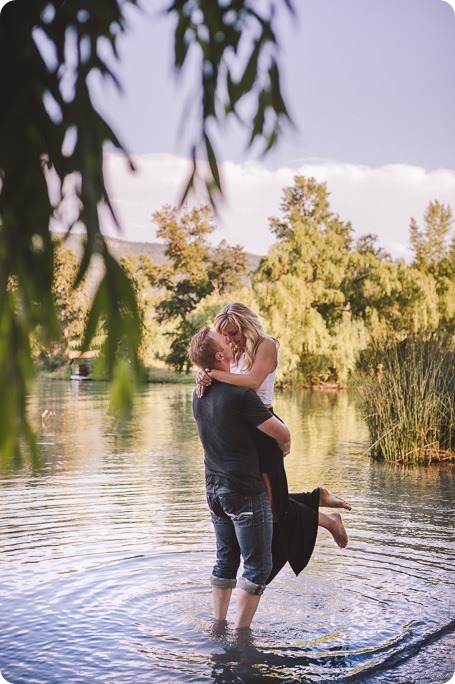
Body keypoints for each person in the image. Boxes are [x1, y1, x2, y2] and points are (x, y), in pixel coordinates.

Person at [196, 302, 350, 583]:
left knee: (273, 510)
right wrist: (204, 373)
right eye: (225, 336)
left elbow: (253, 382)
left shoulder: (266, 345)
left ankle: (328, 518)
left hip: (264, 426)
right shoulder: (235, 351)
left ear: (246, 325)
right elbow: (225, 380)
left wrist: (215, 374)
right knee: (262, 504)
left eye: (233, 333)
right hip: (243, 431)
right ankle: (319, 502)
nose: (230, 340)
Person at [189, 327, 292, 630]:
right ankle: (240, 635)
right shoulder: (241, 396)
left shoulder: (198, 392)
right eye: (224, 340)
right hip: (244, 490)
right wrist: (284, 449)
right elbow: (282, 433)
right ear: (220, 355)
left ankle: (218, 625)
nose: (231, 341)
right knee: (259, 565)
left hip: (214, 491)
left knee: (225, 559)